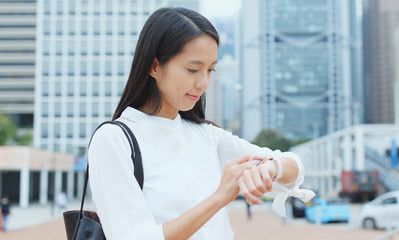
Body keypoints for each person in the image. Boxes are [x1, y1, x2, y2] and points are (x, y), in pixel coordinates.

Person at [88, 7, 314, 240]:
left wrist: (270, 167)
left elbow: (294, 167)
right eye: (193, 69)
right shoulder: (115, 140)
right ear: (155, 66)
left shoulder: (207, 136)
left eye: (210, 70)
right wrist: (219, 198)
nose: (203, 82)